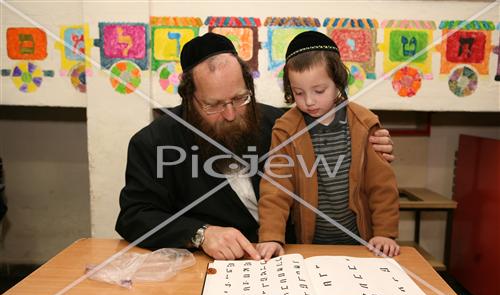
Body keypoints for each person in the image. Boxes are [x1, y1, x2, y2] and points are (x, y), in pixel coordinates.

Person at [115, 32, 395, 260]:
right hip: (207, 273)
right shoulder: (153, 142)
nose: (230, 114)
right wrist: (201, 234)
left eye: (239, 98)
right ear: (190, 99)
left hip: (295, 260)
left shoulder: (284, 124)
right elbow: (135, 216)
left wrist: (372, 144)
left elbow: (347, 152)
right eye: (213, 105)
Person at [256, 31, 400, 261]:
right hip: (309, 246)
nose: (309, 101)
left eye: (319, 91)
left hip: (362, 244)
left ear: (338, 82)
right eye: (299, 93)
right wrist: (271, 236)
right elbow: (276, 188)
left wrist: (385, 233)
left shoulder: (364, 123)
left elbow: (382, 186)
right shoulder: (286, 129)